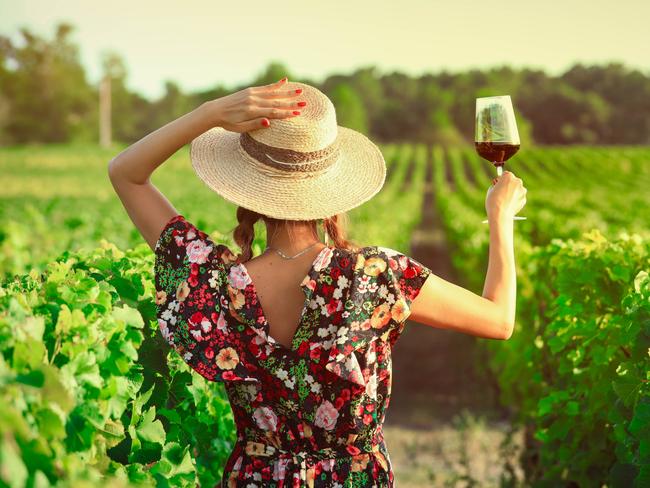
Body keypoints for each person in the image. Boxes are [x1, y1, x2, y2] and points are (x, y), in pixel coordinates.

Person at [108, 77, 527, 487]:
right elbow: (499, 321)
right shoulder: (375, 275)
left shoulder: (214, 281)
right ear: (332, 192)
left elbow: (125, 172)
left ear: (246, 192)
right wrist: (499, 218)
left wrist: (210, 114)